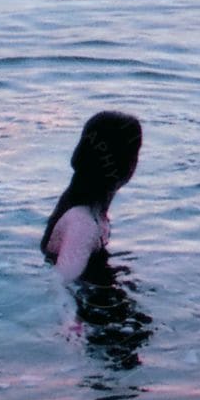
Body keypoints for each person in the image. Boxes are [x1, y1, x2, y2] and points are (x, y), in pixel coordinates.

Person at [40, 110, 142, 283]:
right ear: (125, 165)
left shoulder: (91, 213)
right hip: (85, 307)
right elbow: (61, 285)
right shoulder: (83, 223)